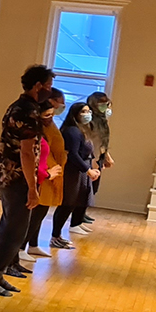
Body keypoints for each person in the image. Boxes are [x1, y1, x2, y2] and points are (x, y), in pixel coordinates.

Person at [0, 64, 54, 295]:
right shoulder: (27, 111)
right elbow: (26, 152)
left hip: (8, 173)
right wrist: (33, 187)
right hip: (17, 176)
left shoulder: (20, 106)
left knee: (9, 227)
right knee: (15, 231)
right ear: (38, 85)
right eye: (48, 86)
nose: (49, 92)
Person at [24, 88, 68, 258]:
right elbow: (39, 153)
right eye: (47, 114)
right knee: (36, 213)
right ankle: (22, 247)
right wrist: (48, 172)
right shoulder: (38, 128)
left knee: (41, 213)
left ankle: (33, 244)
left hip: (53, 171)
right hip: (45, 174)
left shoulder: (50, 123)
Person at [52, 101, 100, 250]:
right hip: (72, 171)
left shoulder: (80, 130)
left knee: (72, 203)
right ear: (75, 114)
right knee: (67, 203)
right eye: (84, 112)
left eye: (89, 111)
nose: (88, 114)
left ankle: (58, 235)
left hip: (78, 171)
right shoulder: (72, 131)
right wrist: (88, 170)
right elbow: (73, 154)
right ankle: (55, 236)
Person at [73, 91, 114, 227]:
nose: (104, 106)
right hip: (90, 157)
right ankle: (76, 219)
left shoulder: (103, 121)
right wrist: (93, 159)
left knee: (93, 189)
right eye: (101, 103)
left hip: (98, 156)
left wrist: (106, 156)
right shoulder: (89, 121)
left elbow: (102, 141)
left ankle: (82, 215)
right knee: (84, 190)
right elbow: (89, 141)